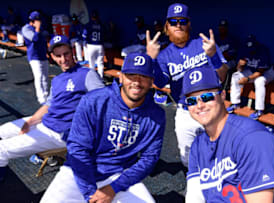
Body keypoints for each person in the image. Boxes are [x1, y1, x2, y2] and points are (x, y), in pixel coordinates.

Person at [40, 53, 166, 203]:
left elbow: (149, 159)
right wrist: (90, 194)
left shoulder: (157, 115)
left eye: (143, 76)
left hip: (120, 174)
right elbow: (78, 148)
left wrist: (113, 188)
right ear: (121, 77)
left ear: (151, 81)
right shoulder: (94, 100)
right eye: (131, 75)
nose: (137, 82)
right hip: (79, 171)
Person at [0, 35, 104, 181]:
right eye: (58, 55)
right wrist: (29, 123)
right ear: (53, 57)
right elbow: (49, 105)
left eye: (66, 53)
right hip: (45, 123)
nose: (63, 59)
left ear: (72, 51)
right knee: (3, 130)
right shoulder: (57, 79)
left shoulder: (87, 74)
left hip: (59, 133)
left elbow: (104, 102)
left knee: (1, 150)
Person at [182, 66, 274, 203]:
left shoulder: (252, 138)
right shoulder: (198, 145)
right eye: (191, 101)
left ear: (222, 96)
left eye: (206, 97)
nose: (199, 105)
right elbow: (194, 196)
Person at [146, 2, 229, 167]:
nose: (178, 25)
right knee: (188, 160)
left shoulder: (204, 44)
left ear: (188, 24)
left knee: (222, 156)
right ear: (166, 26)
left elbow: (222, 75)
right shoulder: (164, 56)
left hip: (211, 106)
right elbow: (160, 82)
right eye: (173, 22)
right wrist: (152, 60)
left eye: (182, 21)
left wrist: (213, 55)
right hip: (185, 111)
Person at [228, 34, 274, 119]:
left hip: (267, 72)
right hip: (252, 70)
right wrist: (240, 65)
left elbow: (260, 72)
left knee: (259, 81)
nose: (250, 51)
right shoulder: (243, 50)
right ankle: (235, 103)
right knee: (235, 76)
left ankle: (259, 110)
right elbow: (239, 70)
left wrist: (247, 79)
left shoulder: (263, 50)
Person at [21, 11, 50, 104]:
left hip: (42, 55)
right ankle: (41, 98)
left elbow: (46, 38)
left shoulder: (40, 28)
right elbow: (35, 39)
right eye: (36, 20)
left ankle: (46, 95)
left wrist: (48, 53)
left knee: (45, 77)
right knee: (39, 77)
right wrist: (37, 28)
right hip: (34, 57)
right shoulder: (26, 29)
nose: (39, 22)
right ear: (32, 21)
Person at [82, 10, 105, 78]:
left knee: (91, 64)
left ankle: (93, 79)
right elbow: (105, 35)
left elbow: (84, 35)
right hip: (100, 45)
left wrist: (85, 42)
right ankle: (101, 78)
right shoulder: (101, 25)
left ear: (91, 17)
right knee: (100, 63)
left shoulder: (88, 25)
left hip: (91, 45)